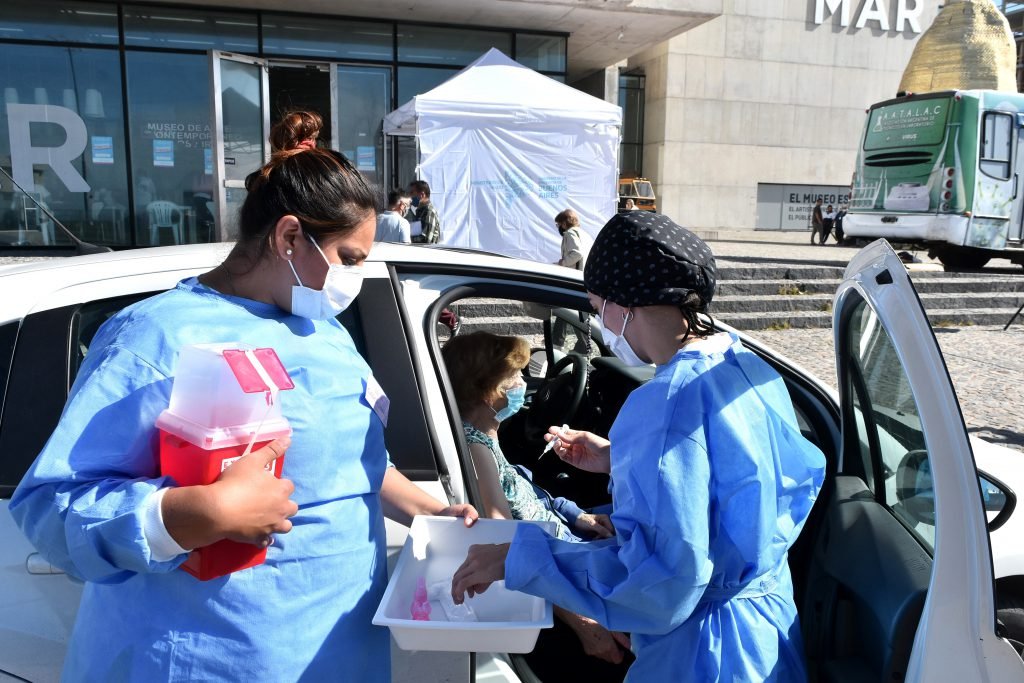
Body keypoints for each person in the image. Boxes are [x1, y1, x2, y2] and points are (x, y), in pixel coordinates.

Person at [10, 147, 477, 682]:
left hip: (339, 652)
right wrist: (192, 515)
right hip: (216, 659)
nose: (355, 276)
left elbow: (352, 461)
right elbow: (51, 507)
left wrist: (430, 513)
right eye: (348, 258)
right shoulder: (156, 336)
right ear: (289, 237)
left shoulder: (324, 330)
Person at [451, 212, 827, 682]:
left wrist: (516, 557)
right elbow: (745, 480)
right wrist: (622, 460)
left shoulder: (664, 404)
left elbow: (658, 579)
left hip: (704, 649)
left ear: (623, 304)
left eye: (597, 307)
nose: (602, 322)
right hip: (764, 625)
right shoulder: (743, 364)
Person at [442, 330, 632, 680]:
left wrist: (578, 515)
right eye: (514, 377)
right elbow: (507, 542)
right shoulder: (477, 448)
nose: (522, 384)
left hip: (564, 538)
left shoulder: (487, 436)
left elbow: (528, 495)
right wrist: (581, 619)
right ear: (488, 392)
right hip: (560, 565)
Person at [407, 179, 441, 244]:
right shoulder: (420, 211)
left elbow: (425, 240)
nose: (410, 196)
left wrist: (406, 238)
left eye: (412, 193)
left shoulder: (429, 211)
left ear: (422, 195)